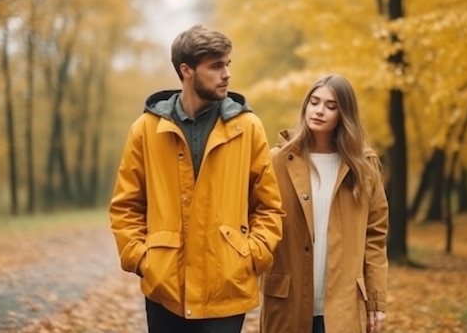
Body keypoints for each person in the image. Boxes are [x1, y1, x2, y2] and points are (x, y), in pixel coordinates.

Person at [108, 24, 285, 333]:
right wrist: (142, 259)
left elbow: (269, 206)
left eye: (228, 64)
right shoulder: (146, 130)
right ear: (186, 69)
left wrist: (251, 255)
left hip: (227, 285)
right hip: (165, 287)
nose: (227, 74)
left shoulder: (248, 127)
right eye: (216, 66)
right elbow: (126, 206)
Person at [260, 74, 389, 333]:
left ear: (344, 114)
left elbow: (374, 237)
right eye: (314, 102)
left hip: (343, 307)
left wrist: (376, 300)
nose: (319, 111)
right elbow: (257, 219)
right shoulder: (276, 161)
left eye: (331, 106)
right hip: (288, 302)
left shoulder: (364, 166)